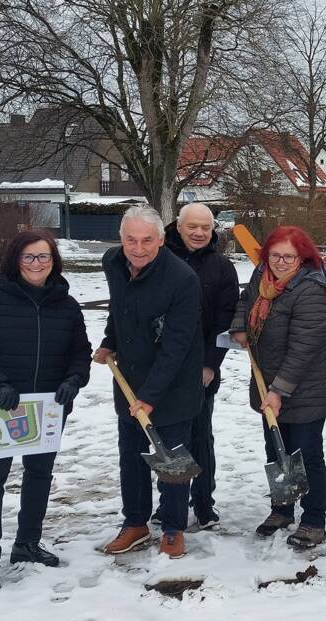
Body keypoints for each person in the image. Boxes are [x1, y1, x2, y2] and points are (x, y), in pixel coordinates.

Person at [0, 230, 91, 593]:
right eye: (29, 257)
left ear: (54, 261)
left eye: (43, 257)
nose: (36, 264)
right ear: (16, 260)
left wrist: (74, 379)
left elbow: (80, 352)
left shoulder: (67, 305)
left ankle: (27, 543)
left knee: (39, 475)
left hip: (46, 409)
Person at [93, 206, 203, 559]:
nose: (138, 248)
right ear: (121, 239)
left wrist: (151, 397)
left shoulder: (182, 279)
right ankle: (136, 523)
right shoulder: (114, 263)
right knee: (132, 458)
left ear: (161, 239)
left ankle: (173, 527)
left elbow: (176, 346)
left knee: (171, 460)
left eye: (146, 240)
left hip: (173, 385)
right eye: (130, 240)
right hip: (129, 380)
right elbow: (119, 309)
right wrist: (110, 340)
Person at [230, 226, 326, 549]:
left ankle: (313, 520)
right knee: (277, 449)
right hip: (269, 380)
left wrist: (278, 391)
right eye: (275, 255)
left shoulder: (310, 290)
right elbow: (245, 301)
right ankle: (281, 509)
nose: (280, 262)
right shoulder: (261, 277)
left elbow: (303, 349)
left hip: (308, 385)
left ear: (302, 258)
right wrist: (239, 326)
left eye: (288, 256)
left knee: (306, 453)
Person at [163, 203, 238, 530]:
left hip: (202, 368)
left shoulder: (222, 268)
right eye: (192, 226)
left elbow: (224, 320)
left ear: (213, 230)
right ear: (178, 226)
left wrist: (210, 364)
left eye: (205, 228)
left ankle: (204, 503)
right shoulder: (159, 259)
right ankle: (169, 500)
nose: (198, 233)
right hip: (163, 369)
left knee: (200, 436)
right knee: (167, 439)